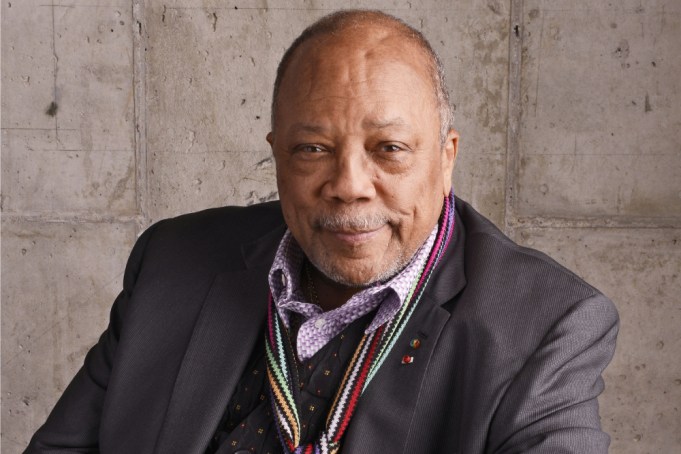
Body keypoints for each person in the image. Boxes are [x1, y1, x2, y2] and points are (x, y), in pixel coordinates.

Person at [25, 9, 619, 454]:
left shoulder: (546, 327)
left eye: (389, 149)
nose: (349, 184)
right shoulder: (174, 261)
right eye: (313, 148)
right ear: (277, 156)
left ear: (446, 161)